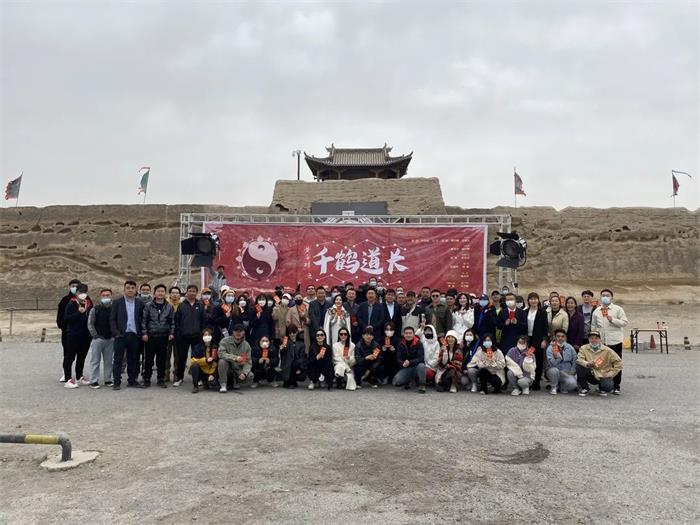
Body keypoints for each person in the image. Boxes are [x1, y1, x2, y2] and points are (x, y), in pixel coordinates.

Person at [591, 289, 628, 395]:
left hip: (615, 341)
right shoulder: (597, 311)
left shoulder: (618, 309)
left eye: (607, 295)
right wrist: (594, 338)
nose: (605, 297)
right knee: (601, 364)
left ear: (611, 298)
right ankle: (602, 386)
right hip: (602, 342)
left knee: (616, 364)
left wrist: (613, 320)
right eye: (603, 295)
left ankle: (616, 386)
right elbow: (593, 325)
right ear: (600, 297)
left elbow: (625, 322)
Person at [110, 280, 145, 389]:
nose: (130, 290)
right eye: (128, 288)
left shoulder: (139, 303)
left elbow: (142, 319)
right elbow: (112, 319)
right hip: (121, 335)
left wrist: (141, 332)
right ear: (124, 289)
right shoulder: (117, 302)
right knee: (118, 360)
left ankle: (132, 380)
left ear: (136, 290)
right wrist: (116, 333)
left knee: (133, 359)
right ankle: (116, 382)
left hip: (134, 335)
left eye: (132, 288)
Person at [141, 283, 175, 387]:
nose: (160, 293)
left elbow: (172, 321)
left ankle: (161, 379)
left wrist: (171, 333)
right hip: (150, 336)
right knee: (148, 359)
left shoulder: (169, 306)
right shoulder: (148, 305)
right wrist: (144, 333)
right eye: (158, 291)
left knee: (162, 359)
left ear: (165, 293)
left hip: (163, 336)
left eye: (162, 291)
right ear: (154, 293)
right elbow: (144, 320)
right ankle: (147, 378)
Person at [173, 285, 206, 387]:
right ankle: (179, 378)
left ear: (197, 293)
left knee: (197, 358)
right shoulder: (181, 305)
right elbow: (177, 321)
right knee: (181, 358)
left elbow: (203, 321)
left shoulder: (200, 305)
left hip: (197, 336)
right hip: (183, 336)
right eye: (190, 291)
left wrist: (202, 333)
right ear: (186, 292)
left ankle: (199, 378)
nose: (192, 293)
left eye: (194, 291)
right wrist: (178, 334)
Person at [62, 283, 94, 388]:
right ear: (76, 293)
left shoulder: (89, 303)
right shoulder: (71, 304)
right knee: (70, 357)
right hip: (73, 334)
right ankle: (67, 379)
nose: (83, 294)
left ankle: (79, 376)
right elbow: (66, 319)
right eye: (80, 292)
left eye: (85, 292)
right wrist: (78, 313)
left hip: (86, 335)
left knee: (82, 357)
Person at [576, 330, 623, 397]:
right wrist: (587, 363)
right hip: (590, 373)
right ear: (588, 339)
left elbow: (619, 363)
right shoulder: (583, 348)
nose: (594, 340)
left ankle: (602, 389)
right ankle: (585, 388)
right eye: (591, 338)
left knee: (608, 386)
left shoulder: (607, 350)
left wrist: (611, 373)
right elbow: (579, 359)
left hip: (603, 374)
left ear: (600, 339)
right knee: (579, 366)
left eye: (596, 338)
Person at [87, 288, 114, 389]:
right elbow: (90, 323)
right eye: (103, 295)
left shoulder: (115, 308)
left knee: (109, 361)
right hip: (98, 339)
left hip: (110, 339)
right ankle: (93, 381)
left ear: (111, 296)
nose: (106, 297)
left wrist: (114, 335)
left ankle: (108, 379)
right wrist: (95, 335)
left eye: (108, 295)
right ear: (100, 297)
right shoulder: (95, 309)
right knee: (95, 360)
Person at [56, 278, 81, 382]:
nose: (74, 288)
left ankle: (79, 375)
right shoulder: (65, 300)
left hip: (81, 332)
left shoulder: (85, 298)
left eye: (76, 286)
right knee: (67, 354)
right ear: (69, 287)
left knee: (81, 354)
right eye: (72, 286)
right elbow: (60, 317)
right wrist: (65, 327)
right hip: (68, 332)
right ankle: (65, 374)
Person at [524, 292, 549, 390]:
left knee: (538, 361)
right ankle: (528, 380)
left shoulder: (542, 312)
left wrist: (544, 340)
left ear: (538, 300)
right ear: (528, 301)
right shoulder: (525, 311)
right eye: (531, 299)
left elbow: (545, 328)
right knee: (527, 359)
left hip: (537, 340)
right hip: (527, 340)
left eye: (535, 299)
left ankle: (536, 383)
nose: (533, 301)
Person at [218, 324, 252, 392]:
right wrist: (235, 358)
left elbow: (248, 362)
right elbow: (221, 353)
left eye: (240, 331)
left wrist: (244, 373)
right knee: (222, 361)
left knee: (250, 376)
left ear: (243, 332)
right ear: (233, 332)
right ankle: (223, 384)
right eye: (236, 331)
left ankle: (237, 381)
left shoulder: (246, 345)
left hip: (238, 369)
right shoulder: (225, 341)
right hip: (227, 368)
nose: (238, 333)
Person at [392, 326, 427, 393]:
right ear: (404, 334)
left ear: (413, 334)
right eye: (406, 333)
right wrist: (402, 363)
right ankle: (409, 380)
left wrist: (410, 362)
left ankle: (422, 385)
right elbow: (398, 358)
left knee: (422, 366)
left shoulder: (419, 343)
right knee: (396, 382)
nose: (408, 335)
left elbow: (421, 358)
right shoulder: (400, 344)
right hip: (407, 368)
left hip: (416, 367)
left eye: (410, 333)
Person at [545, 329, 577, 395]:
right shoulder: (550, 348)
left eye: (562, 336)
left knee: (573, 384)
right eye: (558, 336)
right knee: (554, 370)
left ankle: (562, 386)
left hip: (566, 372)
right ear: (555, 337)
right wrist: (557, 358)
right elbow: (551, 364)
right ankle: (554, 386)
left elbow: (575, 360)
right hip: (554, 370)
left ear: (565, 338)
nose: (560, 338)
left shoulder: (570, 347)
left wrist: (572, 371)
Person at [190, 328, 218, 393]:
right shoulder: (197, 347)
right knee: (194, 366)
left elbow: (216, 362)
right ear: (202, 337)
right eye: (205, 335)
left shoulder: (215, 347)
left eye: (209, 335)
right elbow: (193, 360)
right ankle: (195, 386)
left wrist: (212, 374)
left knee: (214, 384)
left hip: (212, 370)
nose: (207, 337)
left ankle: (208, 381)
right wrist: (205, 360)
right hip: (201, 370)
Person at [164, 286, 181, 382]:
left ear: (179, 295)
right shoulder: (165, 305)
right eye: (173, 293)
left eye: (176, 293)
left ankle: (176, 374)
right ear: (169, 294)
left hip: (178, 334)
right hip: (167, 333)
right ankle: (166, 373)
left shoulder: (182, 305)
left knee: (177, 355)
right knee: (166, 354)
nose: (175, 295)